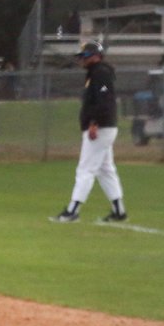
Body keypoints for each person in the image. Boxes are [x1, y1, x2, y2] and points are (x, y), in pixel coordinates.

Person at [50, 41, 128, 224]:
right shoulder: (94, 73)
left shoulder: (100, 72)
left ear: (96, 56)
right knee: (105, 169)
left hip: (101, 128)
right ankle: (119, 210)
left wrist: (94, 123)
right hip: (104, 127)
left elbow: (103, 101)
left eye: (85, 56)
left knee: (85, 169)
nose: (82, 60)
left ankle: (72, 210)